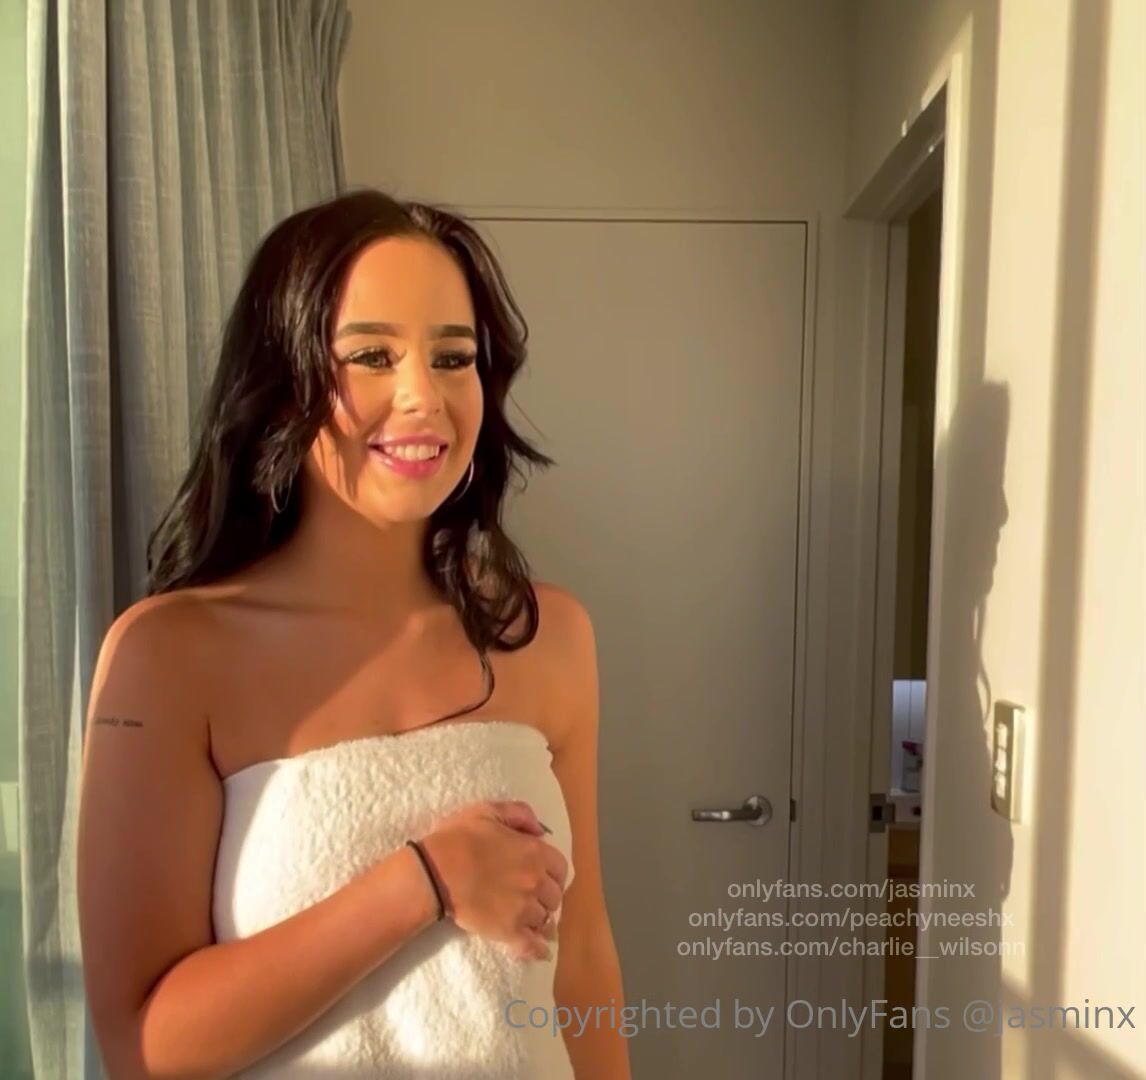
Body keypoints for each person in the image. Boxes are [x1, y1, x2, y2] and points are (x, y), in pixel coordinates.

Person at [76, 189, 631, 1078]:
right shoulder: (170, 656)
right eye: (372, 355)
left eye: (454, 358)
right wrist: (426, 881)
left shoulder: (548, 635)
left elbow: (585, 959)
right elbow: (144, 1046)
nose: (424, 396)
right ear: (282, 381)